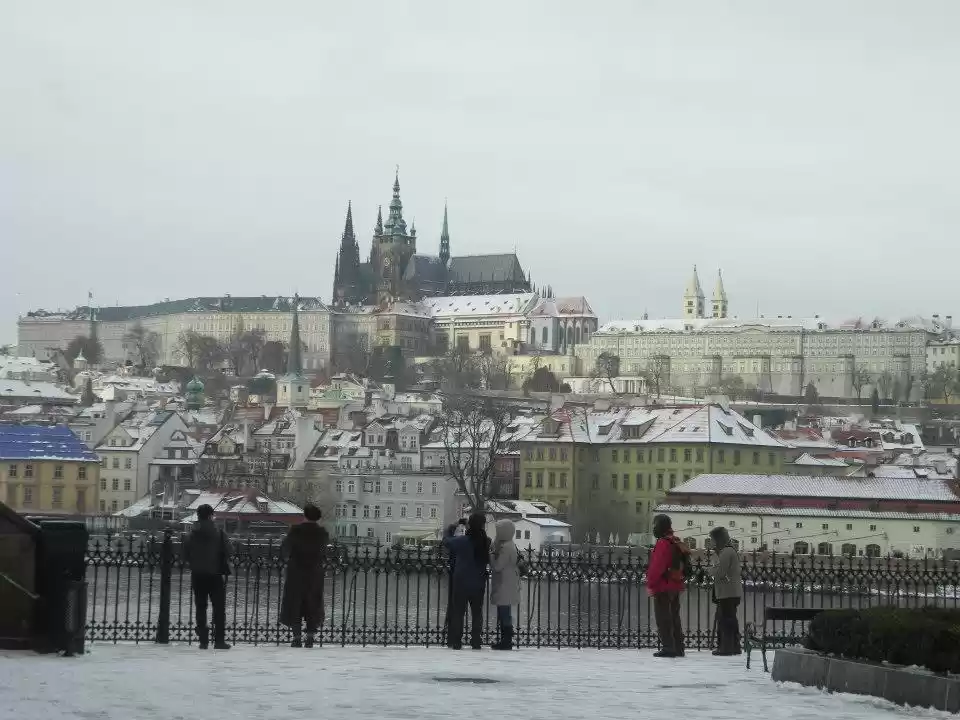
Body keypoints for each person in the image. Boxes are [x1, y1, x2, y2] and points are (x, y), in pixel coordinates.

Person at [280, 503, 330, 648]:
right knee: (313, 604)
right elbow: (323, 552)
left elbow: (285, 549)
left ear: (305, 516)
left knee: (295, 603)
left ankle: (296, 637)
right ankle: (310, 637)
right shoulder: (322, 533)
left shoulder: (295, 531)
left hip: (296, 572)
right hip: (314, 573)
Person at [184, 503, 231, 650]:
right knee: (218, 608)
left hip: (198, 574)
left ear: (198, 516)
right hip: (215, 574)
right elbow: (229, 550)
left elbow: (185, 553)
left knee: (200, 607)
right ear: (211, 516)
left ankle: (203, 640)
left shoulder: (192, 533)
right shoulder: (219, 533)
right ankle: (219, 640)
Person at [443, 512, 490, 650]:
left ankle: (457, 641)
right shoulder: (486, 541)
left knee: (458, 612)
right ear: (483, 525)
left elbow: (446, 540)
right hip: (478, 582)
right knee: (477, 612)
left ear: (470, 524)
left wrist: (453, 526)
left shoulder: (462, 541)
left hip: (461, 582)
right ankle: (476, 640)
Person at [646, 513, 689, 658]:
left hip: (663, 586)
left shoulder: (663, 543)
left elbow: (657, 566)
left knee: (663, 617)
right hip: (676, 585)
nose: (653, 528)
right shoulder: (675, 541)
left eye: (654, 525)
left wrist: (650, 584)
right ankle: (678, 647)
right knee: (675, 617)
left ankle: (668, 647)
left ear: (660, 526)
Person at [708, 526, 743, 656]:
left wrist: (707, 570)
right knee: (731, 619)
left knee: (725, 620)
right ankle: (734, 646)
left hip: (727, 592)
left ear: (718, 539)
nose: (711, 542)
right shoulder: (728, 551)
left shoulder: (727, 552)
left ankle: (726, 647)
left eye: (712, 539)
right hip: (731, 591)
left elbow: (720, 572)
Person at [489, 519, 520, 650]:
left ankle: (506, 641)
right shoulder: (510, 544)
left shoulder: (505, 548)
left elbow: (497, 566)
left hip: (504, 584)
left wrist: (490, 555)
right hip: (508, 582)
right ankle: (505, 639)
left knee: (504, 612)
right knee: (505, 612)